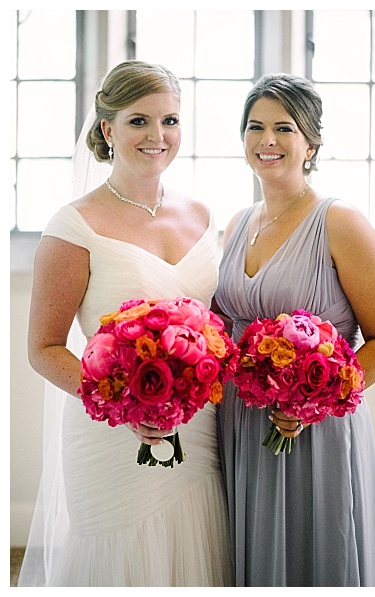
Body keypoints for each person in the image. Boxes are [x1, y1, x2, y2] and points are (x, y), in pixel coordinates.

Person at [19, 60, 233, 586]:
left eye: (171, 120)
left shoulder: (205, 216)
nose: (158, 136)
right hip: (112, 431)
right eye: (139, 121)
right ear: (107, 129)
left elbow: (220, 325)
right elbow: (44, 347)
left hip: (198, 427)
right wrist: (125, 404)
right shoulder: (74, 225)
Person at [213, 73, 375, 586]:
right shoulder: (236, 225)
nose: (267, 141)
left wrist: (310, 403)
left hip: (315, 424)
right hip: (243, 419)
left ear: (310, 142)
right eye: (255, 127)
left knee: (314, 546)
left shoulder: (340, 222)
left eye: (284, 128)